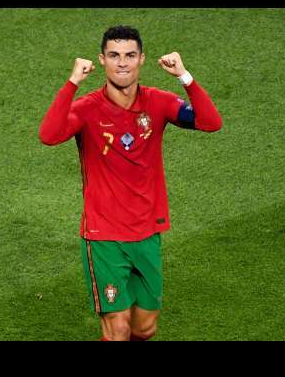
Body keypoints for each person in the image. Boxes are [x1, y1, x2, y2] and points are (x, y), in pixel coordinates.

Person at [39, 25, 222, 341]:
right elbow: (49, 135)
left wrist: (184, 77)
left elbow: (210, 122)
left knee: (144, 328)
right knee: (118, 328)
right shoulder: (86, 109)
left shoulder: (159, 102)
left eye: (129, 55)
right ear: (102, 60)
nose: (122, 63)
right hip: (104, 236)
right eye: (114, 55)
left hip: (147, 231)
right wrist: (72, 83)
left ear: (141, 59)